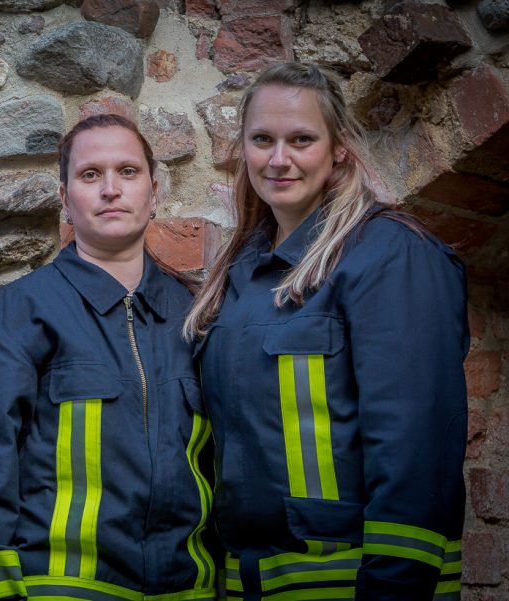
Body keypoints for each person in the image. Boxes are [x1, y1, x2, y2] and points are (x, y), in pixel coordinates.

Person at [183, 62, 469, 600]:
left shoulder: (389, 255)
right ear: (242, 147)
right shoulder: (240, 275)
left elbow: (415, 451)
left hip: (356, 586)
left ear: (338, 148)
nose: (278, 159)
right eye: (262, 139)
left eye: (302, 139)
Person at [0, 113, 218, 601]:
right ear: (65, 199)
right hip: (62, 589)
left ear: (154, 192)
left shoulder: (197, 316)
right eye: (90, 175)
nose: (110, 189)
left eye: (128, 172)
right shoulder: (15, 316)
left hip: (188, 589)